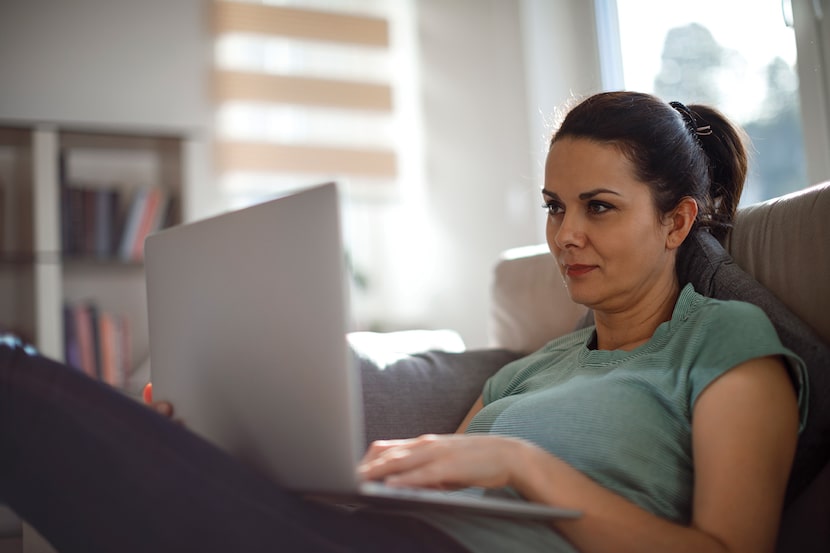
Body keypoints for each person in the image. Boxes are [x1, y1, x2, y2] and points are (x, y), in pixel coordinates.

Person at [0, 91, 806, 553]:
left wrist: (524, 462)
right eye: (556, 206)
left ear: (676, 222)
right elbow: (411, 498)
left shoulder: (725, 341)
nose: (565, 234)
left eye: (599, 207)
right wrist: (229, 454)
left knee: (23, 396)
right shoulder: (531, 369)